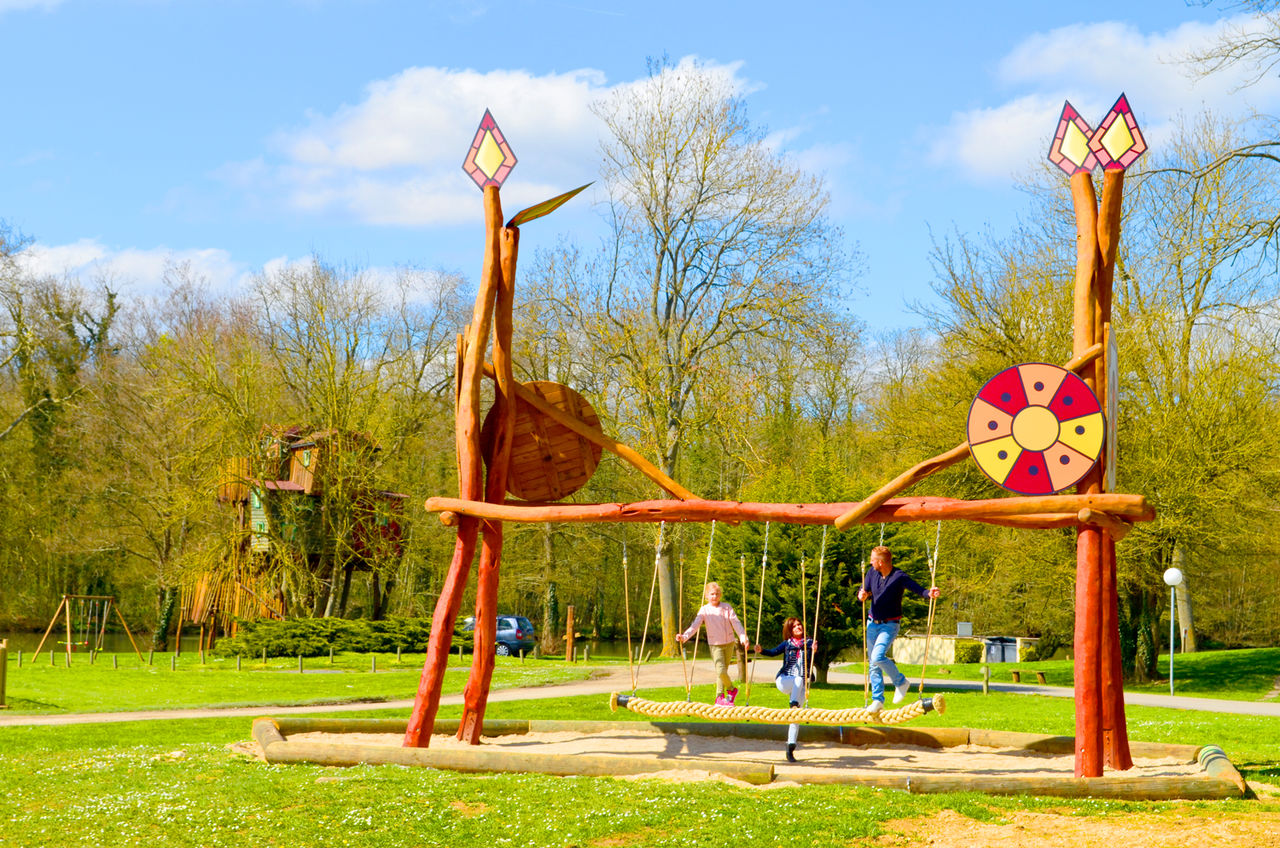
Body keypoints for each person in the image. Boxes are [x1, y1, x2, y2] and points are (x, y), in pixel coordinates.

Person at [856, 545, 940, 714]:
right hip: (872, 623)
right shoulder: (872, 573)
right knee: (873, 664)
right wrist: (862, 595)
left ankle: (901, 682)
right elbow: (864, 590)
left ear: (880, 562)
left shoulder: (899, 576)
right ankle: (878, 700)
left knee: (877, 656)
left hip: (890, 624)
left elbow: (918, 589)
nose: (871, 562)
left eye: (873, 560)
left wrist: (929, 593)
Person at [677, 581, 750, 705]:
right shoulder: (704, 610)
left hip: (729, 642)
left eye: (716, 594)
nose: (714, 596)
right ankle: (732, 689)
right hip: (715, 644)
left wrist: (743, 637)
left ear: (720, 595)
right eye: (711, 594)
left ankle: (719, 697)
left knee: (722, 671)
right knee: (720, 670)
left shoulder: (727, 607)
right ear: (706, 596)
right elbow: (695, 626)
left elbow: (736, 622)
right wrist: (684, 636)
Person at [755, 617, 816, 762]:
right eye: (794, 626)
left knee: (795, 718)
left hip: (799, 686)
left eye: (799, 625)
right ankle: (793, 704)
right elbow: (773, 652)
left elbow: (811, 660)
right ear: (790, 630)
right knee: (798, 679)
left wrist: (814, 651)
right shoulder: (787, 643)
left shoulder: (809, 643)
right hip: (784, 680)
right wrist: (761, 650)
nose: (798, 627)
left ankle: (790, 747)